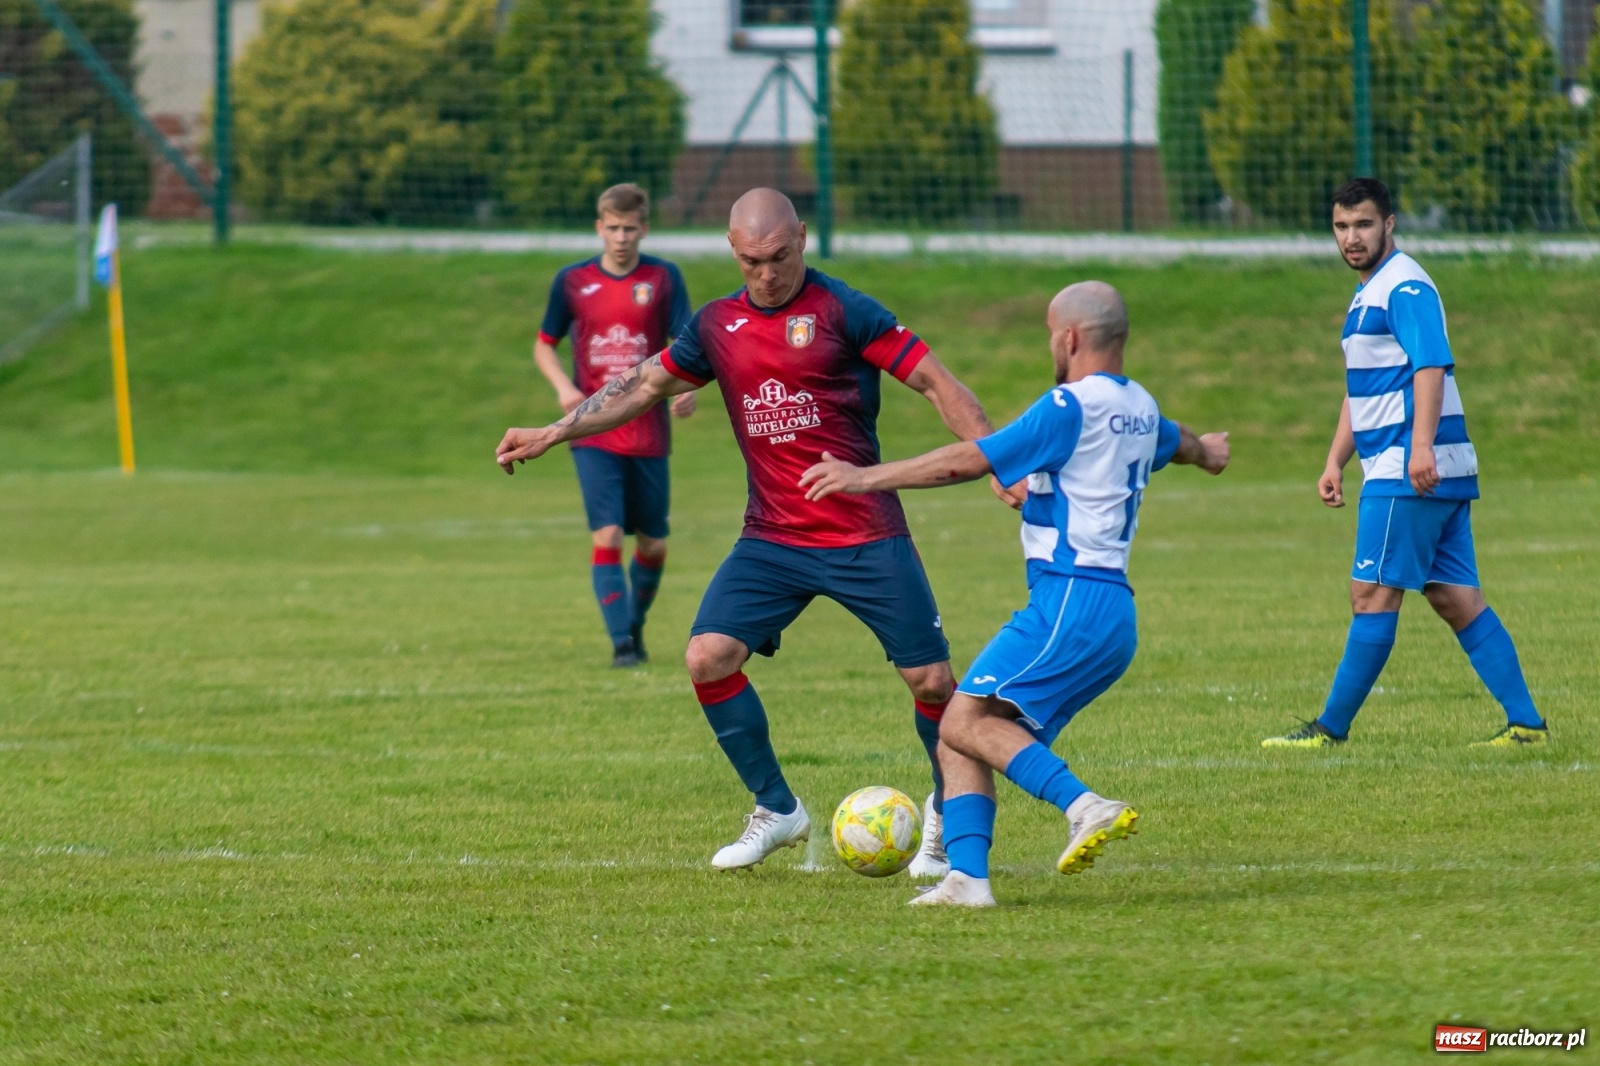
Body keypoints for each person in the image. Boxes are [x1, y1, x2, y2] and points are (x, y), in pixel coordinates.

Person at [498, 188, 1012, 874]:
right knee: (707, 657)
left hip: (864, 530)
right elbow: (643, 386)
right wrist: (554, 431)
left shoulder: (846, 310)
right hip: (772, 537)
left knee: (931, 680)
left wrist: (997, 458)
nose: (766, 275)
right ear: (732, 252)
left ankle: (947, 812)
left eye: (778, 258)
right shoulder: (716, 325)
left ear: (801, 238)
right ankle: (777, 809)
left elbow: (936, 383)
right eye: (750, 262)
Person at [800, 281, 1230, 907]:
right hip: (1110, 612)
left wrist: (862, 477)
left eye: (1051, 335)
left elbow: (970, 459)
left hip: (1068, 602)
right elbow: (1180, 441)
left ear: (1069, 338)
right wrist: (1208, 452)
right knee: (964, 730)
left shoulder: (1067, 406)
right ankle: (967, 880)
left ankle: (1084, 806)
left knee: (962, 720)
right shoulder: (1140, 405)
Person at [1262, 178, 1547, 749]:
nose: (1352, 237)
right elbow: (1364, 388)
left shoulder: (1404, 285)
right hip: (1429, 466)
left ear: (1389, 224)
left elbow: (1429, 365)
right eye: (1341, 226)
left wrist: (1419, 448)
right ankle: (1527, 725)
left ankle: (1329, 730)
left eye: (1363, 224)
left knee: (1370, 595)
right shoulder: (1369, 292)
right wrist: (1335, 459)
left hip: (1407, 468)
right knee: (1455, 597)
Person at [533, 183, 695, 668]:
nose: (621, 237)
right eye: (613, 228)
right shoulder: (572, 281)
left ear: (644, 228)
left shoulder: (663, 278)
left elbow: (686, 345)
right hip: (592, 432)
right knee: (606, 534)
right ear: (599, 227)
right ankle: (623, 645)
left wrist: (686, 388)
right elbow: (544, 344)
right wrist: (564, 388)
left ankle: (633, 623)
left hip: (648, 430)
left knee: (653, 544)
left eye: (629, 228)